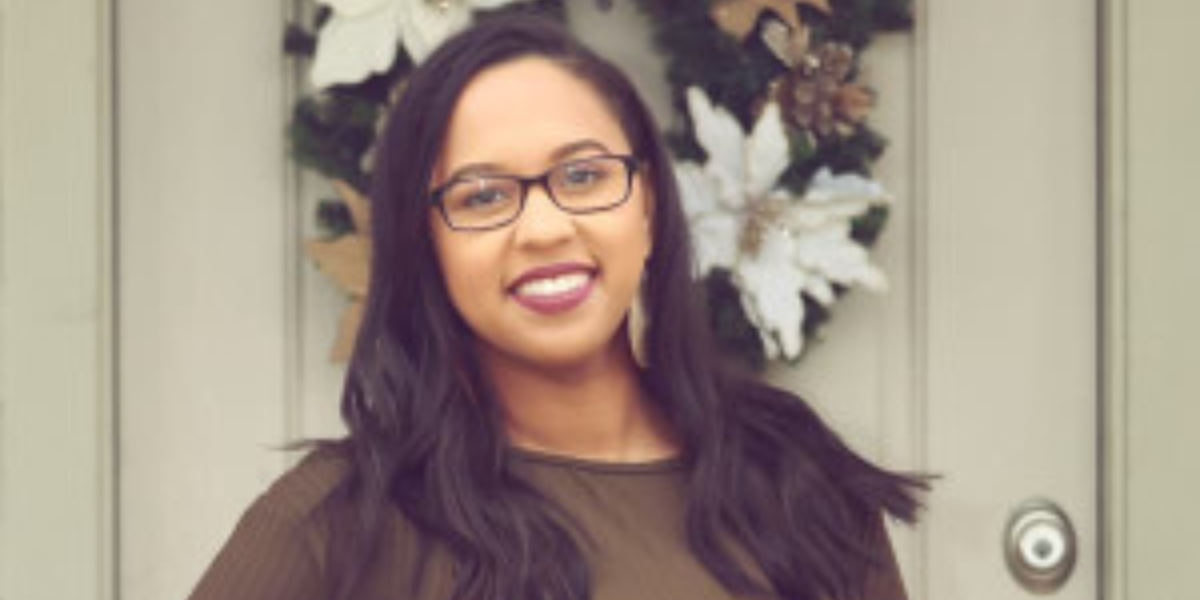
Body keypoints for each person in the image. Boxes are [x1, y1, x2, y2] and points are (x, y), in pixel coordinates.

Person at [189, 15, 925, 600]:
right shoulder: (337, 526)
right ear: (426, 244)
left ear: (646, 208)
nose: (544, 228)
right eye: (482, 195)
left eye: (582, 174)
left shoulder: (796, 480)